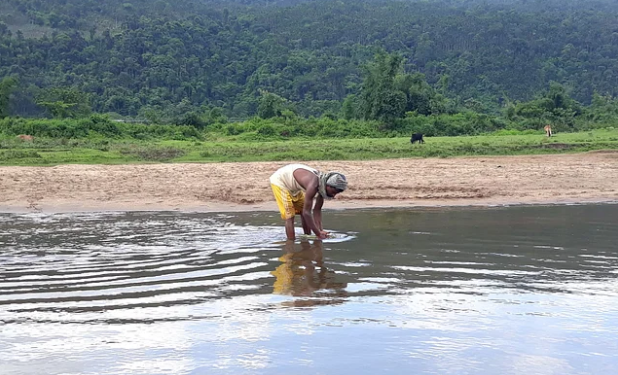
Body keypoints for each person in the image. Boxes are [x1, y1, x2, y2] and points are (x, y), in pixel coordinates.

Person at [270, 163, 348, 240]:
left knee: (302, 210)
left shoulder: (322, 185)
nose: (333, 195)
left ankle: (307, 237)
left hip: (293, 186)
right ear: (328, 186)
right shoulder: (313, 185)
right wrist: (318, 234)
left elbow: (317, 210)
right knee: (290, 215)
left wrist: (320, 230)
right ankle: (291, 243)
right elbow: (306, 212)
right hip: (280, 181)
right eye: (333, 192)